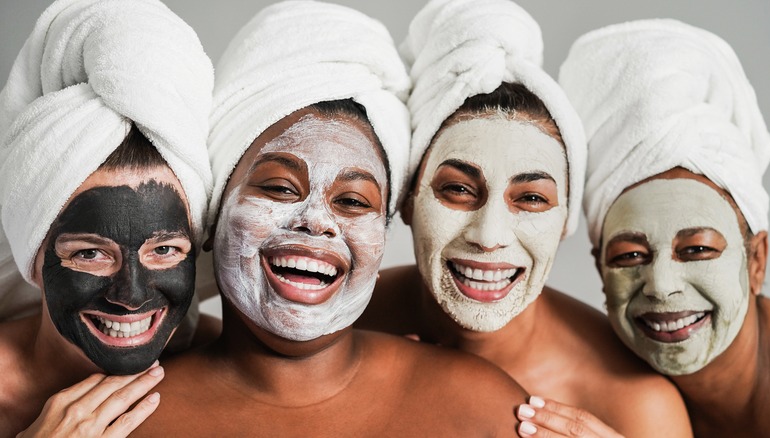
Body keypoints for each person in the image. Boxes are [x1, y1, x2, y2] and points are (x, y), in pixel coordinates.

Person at [134, 2, 527, 436]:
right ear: (210, 220)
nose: (316, 221)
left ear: (381, 242)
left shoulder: (480, 406)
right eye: (280, 189)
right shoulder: (128, 420)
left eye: (354, 202)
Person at [356, 1, 692, 436]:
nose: (489, 236)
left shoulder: (633, 402)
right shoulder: (340, 325)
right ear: (407, 200)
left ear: (566, 220)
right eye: (458, 190)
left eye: (531, 197)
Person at [0, 0, 214, 434]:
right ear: (34, 258)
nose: (131, 296)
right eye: (91, 254)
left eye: (166, 249)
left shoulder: (220, 361)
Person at [558, 19, 770, 437]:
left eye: (696, 249)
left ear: (756, 261)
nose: (660, 285)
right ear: (600, 269)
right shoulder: (585, 363)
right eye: (629, 256)